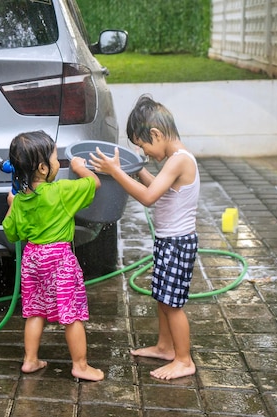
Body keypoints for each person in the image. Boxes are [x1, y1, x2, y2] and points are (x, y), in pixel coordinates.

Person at [89, 95, 200, 380]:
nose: (147, 154)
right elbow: (158, 189)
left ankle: (184, 360)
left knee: (173, 305)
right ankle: (165, 347)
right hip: (168, 242)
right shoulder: (174, 162)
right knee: (163, 298)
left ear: (156, 134)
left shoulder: (179, 161)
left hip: (177, 243)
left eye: (144, 147)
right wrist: (135, 169)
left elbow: (149, 198)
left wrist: (115, 172)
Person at [2, 130, 104, 382]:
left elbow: (11, 233)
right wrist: (82, 168)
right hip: (59, 259)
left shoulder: (21, 199)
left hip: (32, 259)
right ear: (43, 168)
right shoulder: (60, 192)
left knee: (35, 311)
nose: (60, 163)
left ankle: (30, 360)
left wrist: (12, 205)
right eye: (56, 158)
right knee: (72, 314)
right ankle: (80, 365)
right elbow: (94, 184)